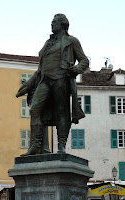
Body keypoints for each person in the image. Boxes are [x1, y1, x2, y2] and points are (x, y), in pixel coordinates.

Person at [16, 13, 89, 155]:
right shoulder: (47, 44)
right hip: (44, 80)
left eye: (54, 21)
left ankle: (61, 145)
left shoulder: (71, 41)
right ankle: (36, 145)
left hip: (61, 78)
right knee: (35, 109)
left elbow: (84, 60)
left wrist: (77, 69)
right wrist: (28, 85)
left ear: (62, 24)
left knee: (62, 112)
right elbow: (40, 69)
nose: (51, 23)